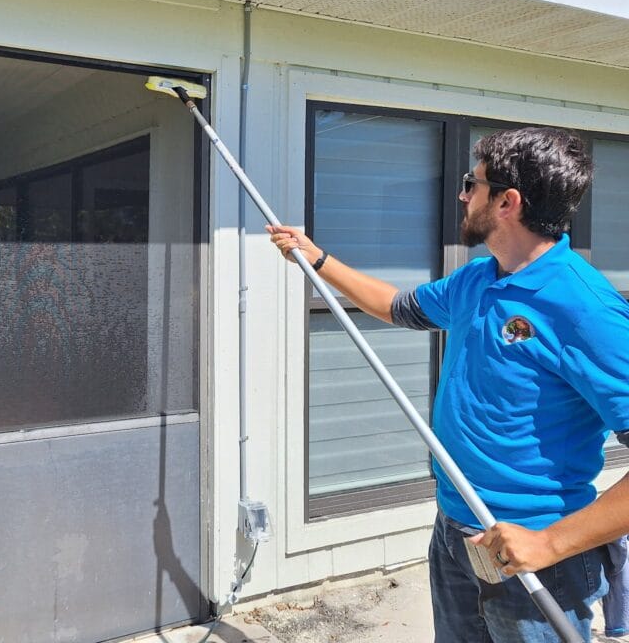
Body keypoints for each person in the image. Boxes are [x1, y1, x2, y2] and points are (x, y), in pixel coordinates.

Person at [268, 126, 629, 642]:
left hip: (533, 554)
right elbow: (396, 306)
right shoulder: (478, 278)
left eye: (471, 184)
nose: (463, 195)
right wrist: (315, 258)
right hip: (457, 529)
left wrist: (549, 544)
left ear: (508, 202)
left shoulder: (586, 309)